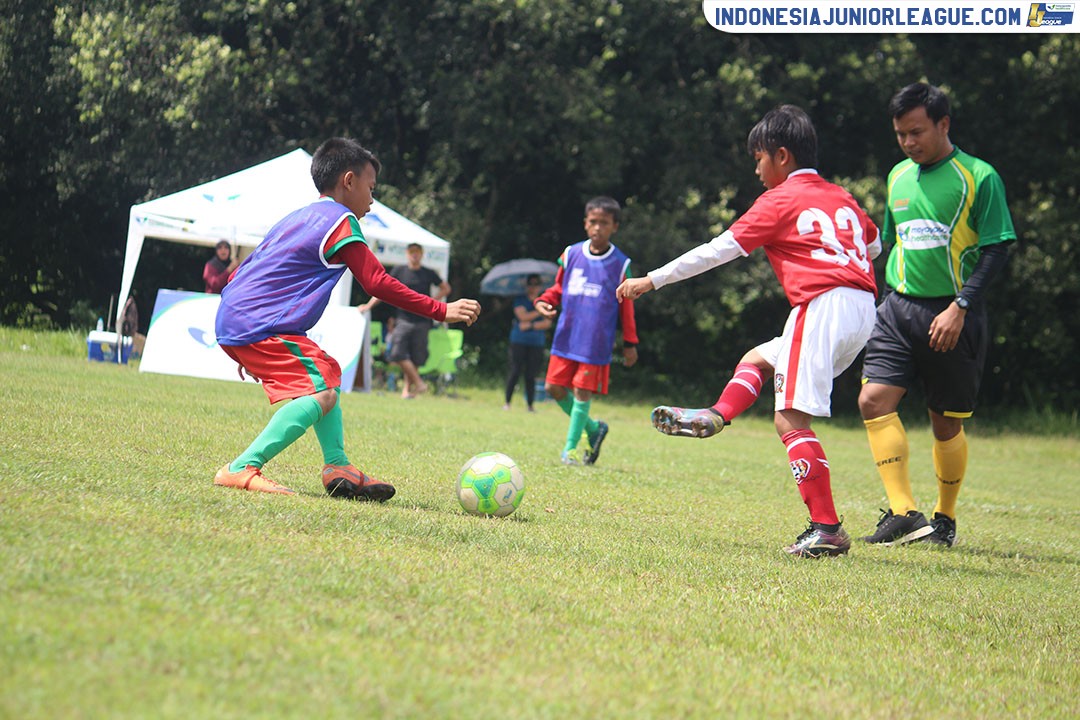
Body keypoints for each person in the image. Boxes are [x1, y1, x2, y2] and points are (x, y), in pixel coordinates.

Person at [617, 105, 882, 559]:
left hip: (821, 305)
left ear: (781, 156)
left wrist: (652, 279)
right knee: (758, 358)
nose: (757, 171)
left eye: (758, 159)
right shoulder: (842, 196)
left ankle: (827, 528)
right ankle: (717, 414)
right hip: (863, 307)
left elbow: (716, 250)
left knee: (790, 419)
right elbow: (873, 245)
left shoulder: (780, 200)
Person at [213, 138, 481, 498]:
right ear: (349, 181)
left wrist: (242, 333)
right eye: (371, 188)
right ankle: (241, 467)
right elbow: (377, 282)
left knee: (327, 372)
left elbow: (246, 269)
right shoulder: (341, 221)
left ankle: (338, 466)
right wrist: (441, 310)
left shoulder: (297, 217)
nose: (372, 199)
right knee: (322, 391)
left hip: (241, 316)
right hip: (258, 322)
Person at [858, 83, 1015, 548]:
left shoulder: (979, 176)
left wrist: (961, 306)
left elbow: (997, 248)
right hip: (897, 307)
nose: (908, 142)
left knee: (945, 422)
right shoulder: (897, 177)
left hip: (952, 313)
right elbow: (892, 243)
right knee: (873, 400)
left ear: (943, 124)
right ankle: (904, 512)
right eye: (900, 134)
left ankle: (944, 519)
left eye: (916, 132)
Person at [535, 196, 639, 466]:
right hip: (567, 335)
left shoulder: (620, 264)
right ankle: (594, 429)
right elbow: (559, 288)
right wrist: (544, 300)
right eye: (593, 222)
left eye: (604, 223)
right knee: (553, 387)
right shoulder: (571, 254)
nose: (597, 228)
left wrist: (630, 342)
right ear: (585, 223)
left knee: (582, 391)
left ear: (614, 226)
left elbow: (627, 307)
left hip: (595, 341)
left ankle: (569, 451)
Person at [358, 243, 450, 398]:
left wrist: (433, 302)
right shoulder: (399, 271)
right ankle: (419, 383)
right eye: (412, 252)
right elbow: (382, 289)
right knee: (397, 352)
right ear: (407, 254)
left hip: (422, 320)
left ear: (422, 254)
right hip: (403, 319)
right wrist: (368, 305)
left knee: (416, 357)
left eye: (417, 252)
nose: (415, 255)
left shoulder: (428, 273)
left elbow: (446, 288)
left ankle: (407, 390)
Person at [504, 274, 552, 411]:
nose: (533, 287)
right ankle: (507, 402)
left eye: (536, 284)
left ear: (540, 286)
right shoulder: (520, 300)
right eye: (531, 284)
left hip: (537, 343)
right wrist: (540, 311)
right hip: (518, 341)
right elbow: (522, 316)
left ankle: (530, 405)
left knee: (531, 374)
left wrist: (530, 325)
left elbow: (547, 323)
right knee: (515, 371)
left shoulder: (545, 301)